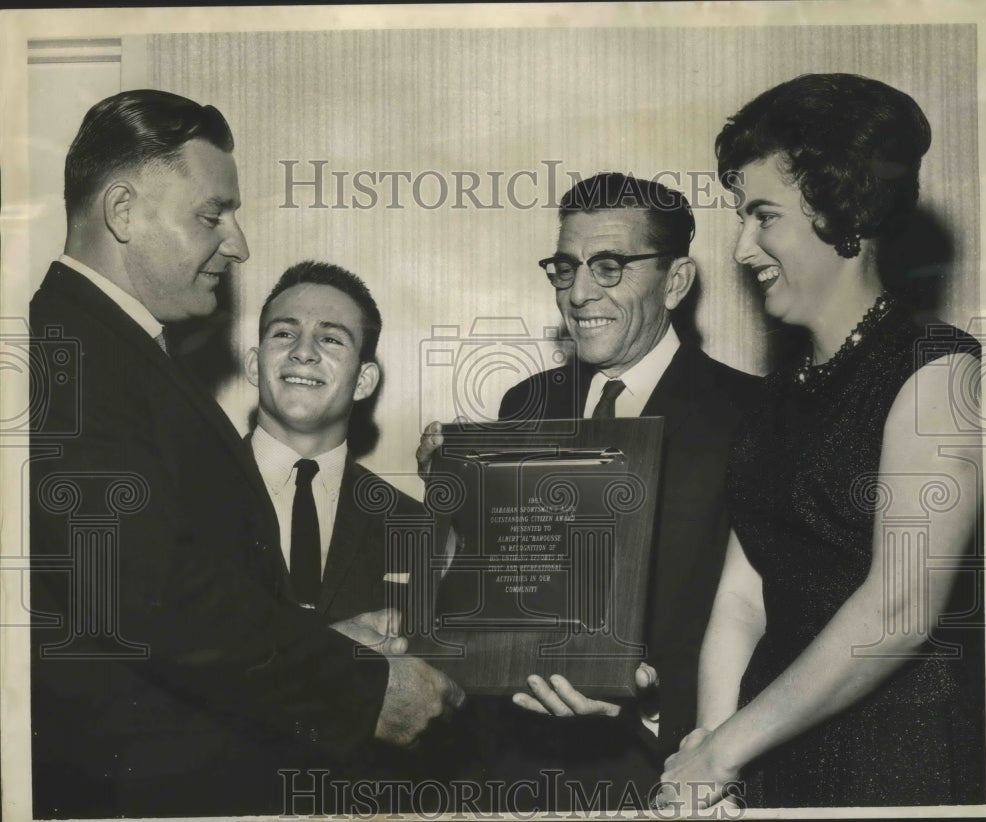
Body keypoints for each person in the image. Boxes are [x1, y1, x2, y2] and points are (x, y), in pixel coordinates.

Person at [29, 89, 463, 819]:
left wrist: (319, 642)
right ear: (123, 211)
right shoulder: (70, 356)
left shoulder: (109, 350)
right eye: (212, 215)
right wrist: (354, 685)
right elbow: (149, 595)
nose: (238, 244)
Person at [656, 73, 985, 811]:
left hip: (898, 762)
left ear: (843, 211)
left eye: (763, 216)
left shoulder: (942, 371)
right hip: (771, 750)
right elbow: (743, 596)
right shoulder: (779, 394)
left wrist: (724, 751)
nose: (742, 248)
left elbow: (900, 609)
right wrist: (713, 752)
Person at [418, 172, 760, 808]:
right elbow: (503, 586)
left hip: (659, 773)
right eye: (564, 267)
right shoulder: (525, 403)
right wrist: (455, 500)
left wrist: (650, 701)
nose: (577, 293)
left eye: (609, 267)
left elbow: (761, 614)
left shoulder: (752, 415)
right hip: (515, 769)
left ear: (676, 281)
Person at [246, 260, 424, 624]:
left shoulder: (412, 525)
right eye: (283, 333)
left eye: (330, 339)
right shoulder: (183, 494)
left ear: (364, 380)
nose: (304, 352)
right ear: (254, 363)